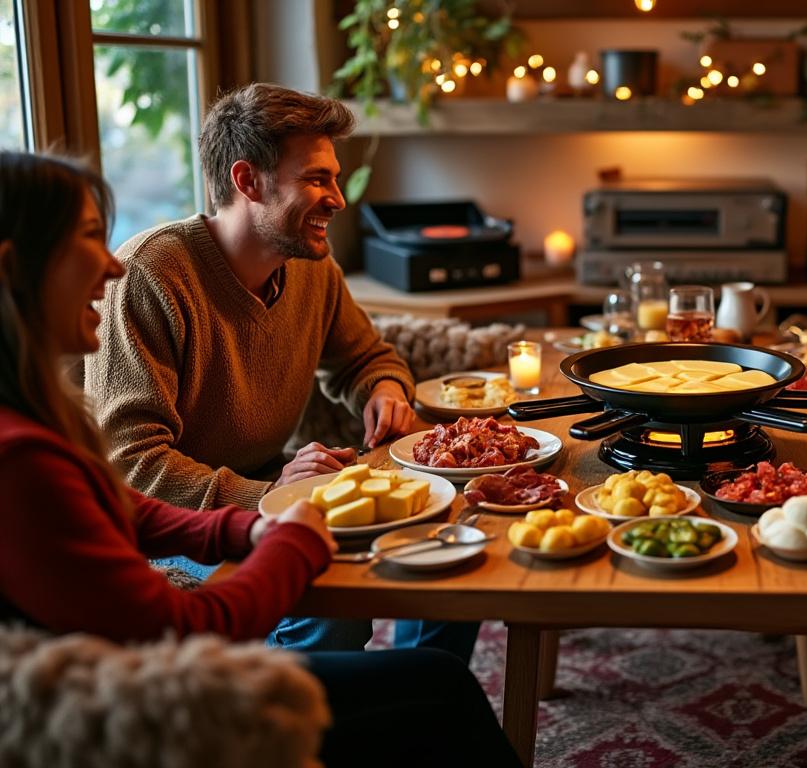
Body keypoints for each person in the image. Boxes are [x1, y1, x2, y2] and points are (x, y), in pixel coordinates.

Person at [0, 151, 521, 768]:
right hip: (143, 711)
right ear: (15, 268)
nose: (110, 263)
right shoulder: (22, 459)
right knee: (437, 689)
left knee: (444, 594)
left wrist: (254, 524)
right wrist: (286, 536)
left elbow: (119, 507)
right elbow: (180, 620)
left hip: (249, 508)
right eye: (89, 237)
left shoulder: (29, 415)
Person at [83, 83, 471, 658]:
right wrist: (264, 496)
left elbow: (367, 358)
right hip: (168, 528)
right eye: (317, 179)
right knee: (328, 600)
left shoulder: (310, 266)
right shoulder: (150, 276)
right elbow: (131, 465)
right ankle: (305, 728)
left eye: (334, 178)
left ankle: (416, 690)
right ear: (247, 181)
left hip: (268, 483)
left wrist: (384, 392)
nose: (338, 199)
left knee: (454, 540)